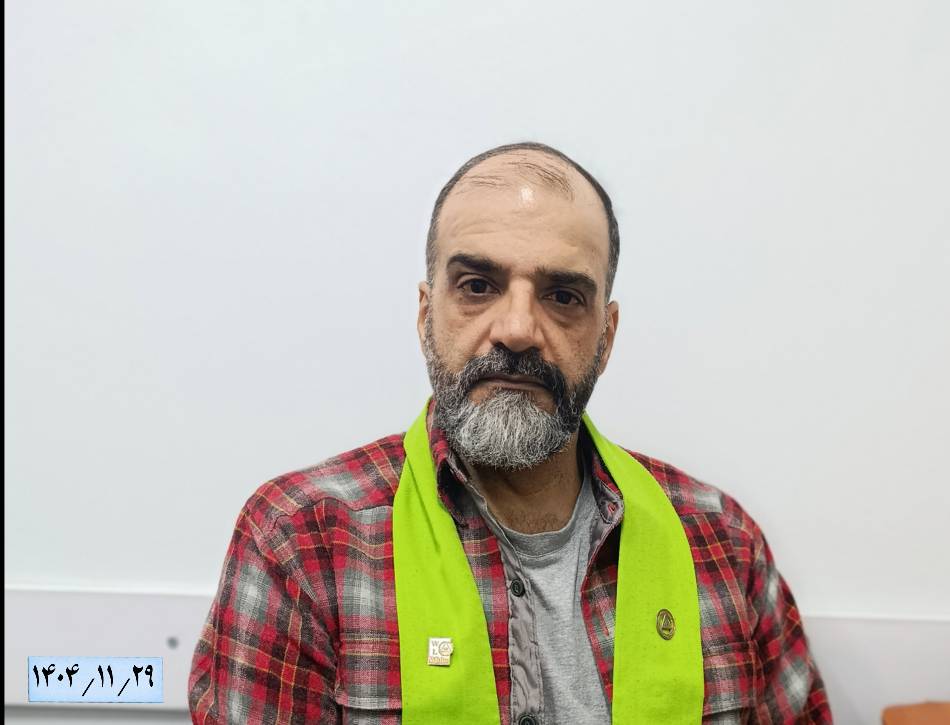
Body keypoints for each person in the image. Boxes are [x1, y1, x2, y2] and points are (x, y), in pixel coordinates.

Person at [188, 142, 831, 724]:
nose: (518, 328)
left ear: (606, 338)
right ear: (426, 315)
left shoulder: (724, 544)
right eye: (477, 286)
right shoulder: (302, 544)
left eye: (563, 296)